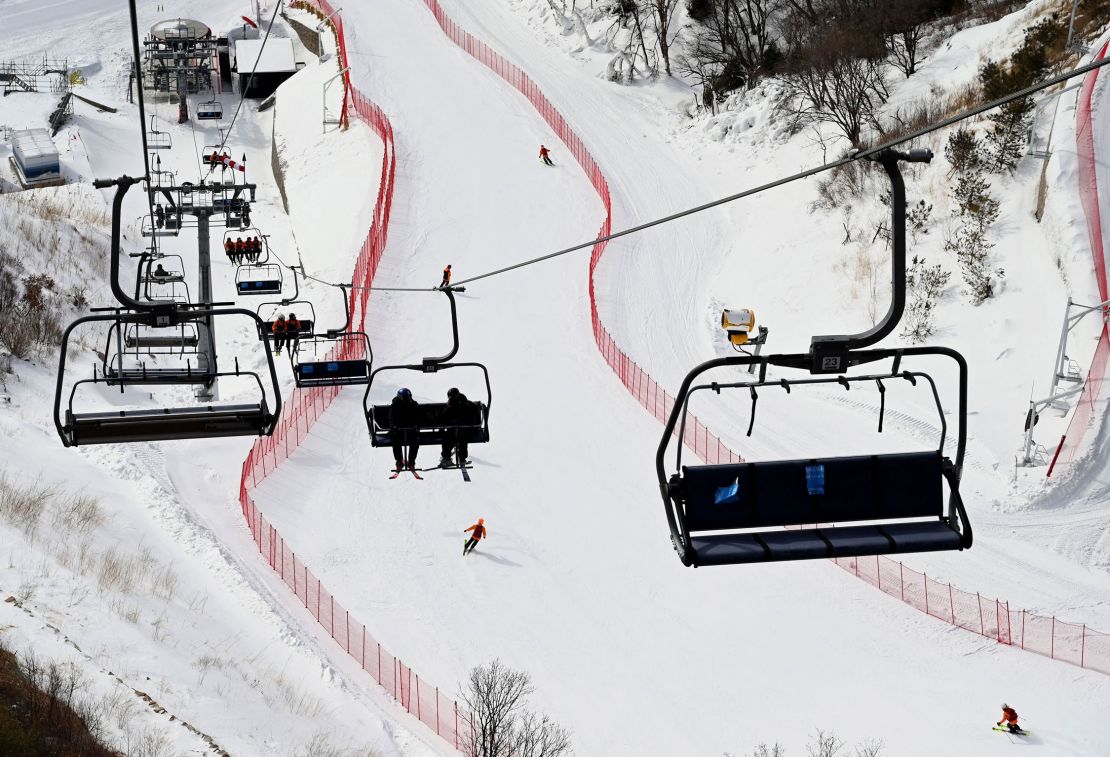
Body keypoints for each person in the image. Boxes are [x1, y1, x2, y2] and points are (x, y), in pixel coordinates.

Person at [439, 387, 477, 467]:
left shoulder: (465, 403)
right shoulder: (451, 405)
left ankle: (461, 458)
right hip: (454, 429)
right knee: (447, 438)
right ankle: (447, 458)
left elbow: (471, 414)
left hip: (464, 428)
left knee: (462, 438)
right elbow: (444, 417)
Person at [390, 387, 420, 471]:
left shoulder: (413, 404)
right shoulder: (395, 405)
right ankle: (399, 461)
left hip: (410, 430)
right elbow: (391, 417)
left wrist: (415, 425)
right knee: (395, 441)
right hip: (399, 430)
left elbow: (417, 416)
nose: (409, 399)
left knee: (415, 441)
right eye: (407, 398)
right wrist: (393, 426)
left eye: (410, 397)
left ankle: (411, 461)